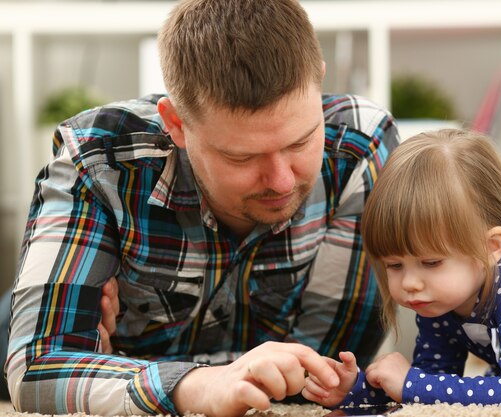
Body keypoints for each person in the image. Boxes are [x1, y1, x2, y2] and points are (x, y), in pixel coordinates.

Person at [4, 0, 400, 415]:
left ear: (319, 79)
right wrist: (198, 385)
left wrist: (112, 368)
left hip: (127, 357)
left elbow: (320, 372)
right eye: (241, 158)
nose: (282, 181)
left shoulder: (360, 149)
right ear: (176, 124)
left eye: (300, 142)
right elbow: (36, 369)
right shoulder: (101, 159)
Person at [302, 128, 501, 408]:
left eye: (431, 262)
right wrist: (361, 389)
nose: (410, 283)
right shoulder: (438, 297)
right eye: (394, 265)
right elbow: (435, 383)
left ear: (492, 247)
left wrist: (411, 383)